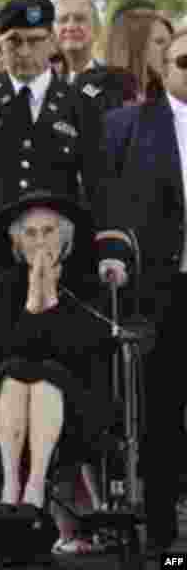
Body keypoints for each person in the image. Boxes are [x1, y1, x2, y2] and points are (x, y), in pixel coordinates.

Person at [0, 191, 115, 558]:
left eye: (49, 231)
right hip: (6, 408)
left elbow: (82, 351)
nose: (41, 242)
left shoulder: (87, 287)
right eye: (31, 233)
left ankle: (31, 486)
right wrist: (31, 303)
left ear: (65, 238)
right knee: (17, 373)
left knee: (44, 377)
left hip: (76, 410)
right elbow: (0, 349)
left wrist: (50, 301)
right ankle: (14, 487)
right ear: (17, 242)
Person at [97, 27, 187, 555]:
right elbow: (109, 206)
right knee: (161, 416)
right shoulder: (126, 127)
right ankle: (164, 540)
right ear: (163, 64)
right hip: (162, 291)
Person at [0, 0, 103, 293]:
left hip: (57, 255)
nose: (25, 51)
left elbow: (98, 184)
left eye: (36, 40)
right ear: (0, 43)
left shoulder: (79, 105)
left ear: (52, 42)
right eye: (15, 41)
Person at [104, 7, 174, 104]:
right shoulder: (95, 87)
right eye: (159, 42)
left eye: (171, 42)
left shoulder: (173, 96)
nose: (169, 49)